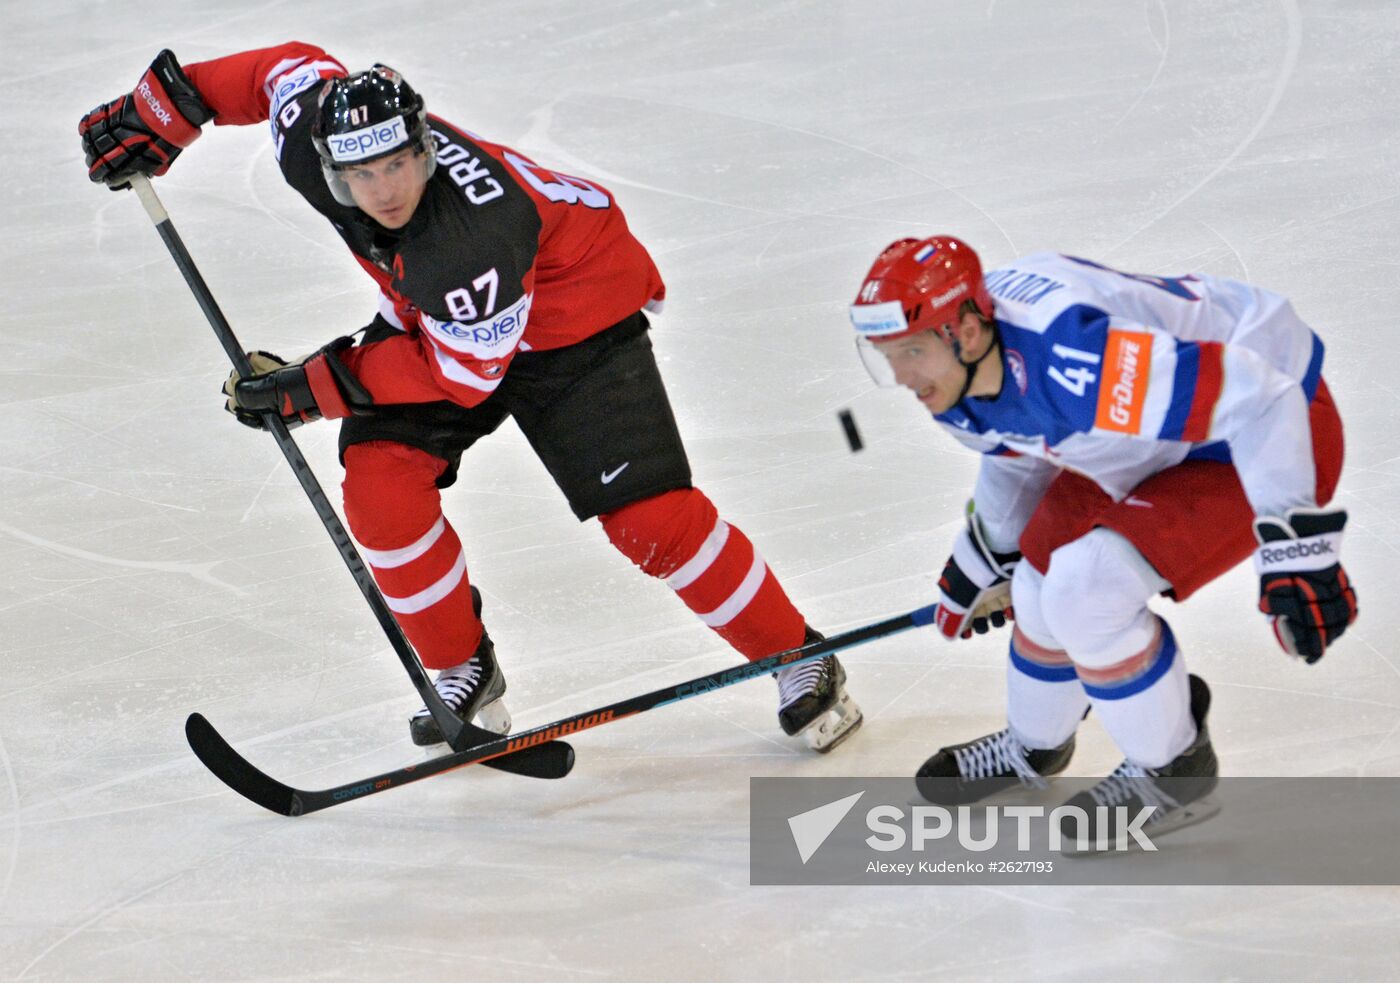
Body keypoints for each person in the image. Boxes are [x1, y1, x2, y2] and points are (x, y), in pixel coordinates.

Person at [79, 44, 862, 753]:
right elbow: (280, 69)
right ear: (329, 165)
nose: (381, 191)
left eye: (396, 166)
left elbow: (460, 378)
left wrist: (309, 387)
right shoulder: (316, 140)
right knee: (382, 486)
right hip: (451, 321)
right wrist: (161, 109)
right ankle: (464, 672)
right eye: (359, 176)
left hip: (573, 312)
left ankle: (798, 653)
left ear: (424, 151)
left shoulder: (471, 241)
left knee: (649, 521)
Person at [848, 235, 1356, 832]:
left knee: (1084, 592)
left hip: (1268, 430)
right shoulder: (962, 379)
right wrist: (984, 556)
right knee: (1037, 580)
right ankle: (1035, 744)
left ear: (964, 331)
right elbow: (1019, 446)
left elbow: (1262, 397)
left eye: (910, 352)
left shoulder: (1081, 361)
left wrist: (1299, 547)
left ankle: (1174, 771)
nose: (902, 377)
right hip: (1150, 431)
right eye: (887, 356)